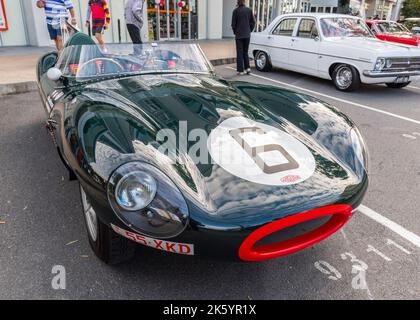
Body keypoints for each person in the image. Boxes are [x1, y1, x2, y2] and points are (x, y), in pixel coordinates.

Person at [231, 0, 255, 75]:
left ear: (238, 2)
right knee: (245, 52)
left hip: (239, 35)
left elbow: (233, 24)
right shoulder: (249, 10)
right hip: (247, 35)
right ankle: (247, 68)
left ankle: (240, 70)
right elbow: (253, 22)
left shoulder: (235, 11)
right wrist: (249, 30)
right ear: (244, 2)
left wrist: (235, 32)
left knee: (239, 52)